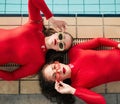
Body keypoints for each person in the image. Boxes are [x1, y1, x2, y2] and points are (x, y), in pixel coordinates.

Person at [0, 0, 73, 81]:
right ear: (57, 33)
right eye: (61, 36)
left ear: (58, 50)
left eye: (61, 45)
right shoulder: (36, 26)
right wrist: (52, 19)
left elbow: (12, 76)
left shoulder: (38, 62)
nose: (59, 41)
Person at [39, 37, 120, 104]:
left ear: (56, 62)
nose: (58, 70)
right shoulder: (77, 86)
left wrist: (117, 44)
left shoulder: (74, 51)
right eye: (54, 75)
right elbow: (101, 101)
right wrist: (72, 91)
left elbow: (98, 41)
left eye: (54, 67)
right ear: (58, 81)